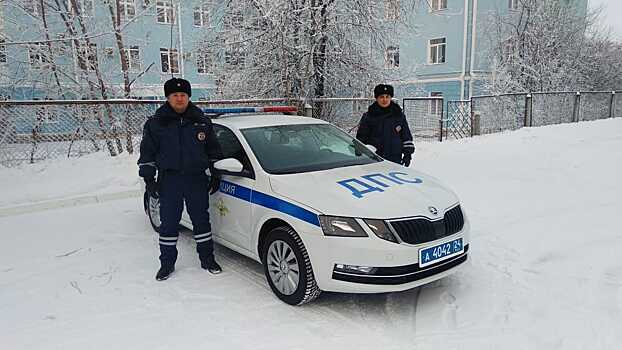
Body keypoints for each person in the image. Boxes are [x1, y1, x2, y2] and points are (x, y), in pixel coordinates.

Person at [138, 77, 223, 281]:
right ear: (168, 97)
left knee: (201, 221)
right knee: (168, 225)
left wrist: (216, 172)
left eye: (183, 95)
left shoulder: (202, 121)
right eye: (175, 95)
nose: (179, 99)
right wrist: (149, 180)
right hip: (170, 180)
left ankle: (207, 259)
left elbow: (214, 151)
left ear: (188, 97)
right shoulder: (156, 123)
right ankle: (166, 264)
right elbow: (147, 154)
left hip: (196, 179)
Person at [356, 84, 415, 166]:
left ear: (391, 98)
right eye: (381, 97)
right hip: (374, 159)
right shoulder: (368, 116)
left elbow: (406, 136)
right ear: (376, 98)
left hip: (395, 159)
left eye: (387, 96)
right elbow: (361, 138)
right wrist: (359, 152)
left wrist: (407, 155)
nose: (385, 99)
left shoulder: (399, 115)